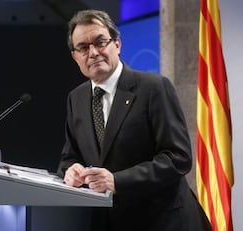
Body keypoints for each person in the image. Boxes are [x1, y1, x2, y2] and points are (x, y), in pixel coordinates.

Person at [57, 9, 213, 231]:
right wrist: (71, 169)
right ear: (75, 57)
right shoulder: (77, 98)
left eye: (100, 42)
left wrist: (117, 181)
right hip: (112, 221)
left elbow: (178, 158)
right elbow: (69, 156)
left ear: (117, 44)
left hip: (164, 221)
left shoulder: (154, 88)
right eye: (83, 47)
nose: (93, 53)